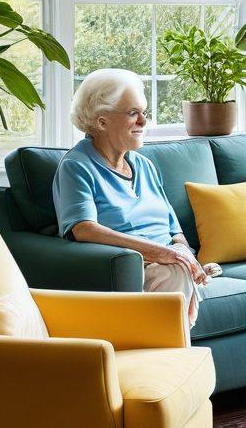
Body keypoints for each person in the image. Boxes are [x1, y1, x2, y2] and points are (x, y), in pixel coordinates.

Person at [52, 68, 206, 329]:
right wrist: (160, 253)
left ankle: (169, 361)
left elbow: (172, 225)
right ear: (101, 122)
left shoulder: (144, 165)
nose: (143, 122)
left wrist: (182, 251)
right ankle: (170, 363)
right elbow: (82, 229)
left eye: (143, 113)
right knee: (176, 274)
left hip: (167, 261)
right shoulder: (76, 167)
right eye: (133, 113)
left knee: (180, 270)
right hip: (130, 267)